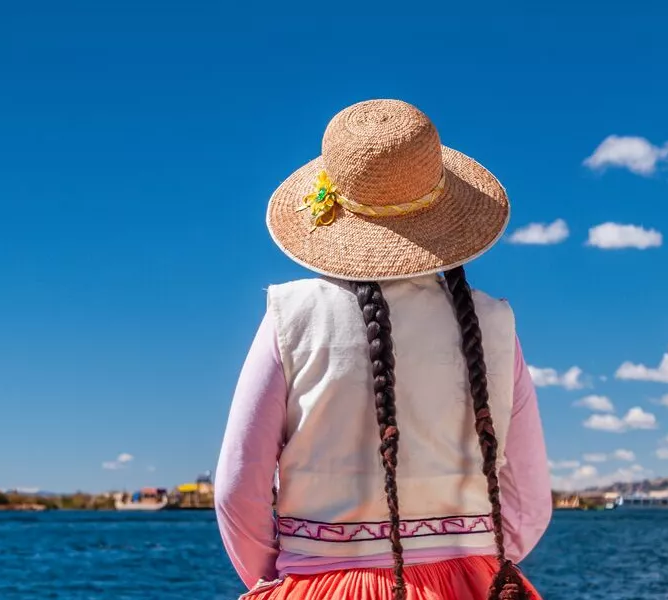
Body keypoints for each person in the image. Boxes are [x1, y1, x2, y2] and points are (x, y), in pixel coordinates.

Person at [215, 98, 551, 600]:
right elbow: (528, 498)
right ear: (445, 213)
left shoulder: (291, 316)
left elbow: (238, 487)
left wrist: (290, 575)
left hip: (322, 581)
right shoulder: (494, 322)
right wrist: (478, 560)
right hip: (475, 579)